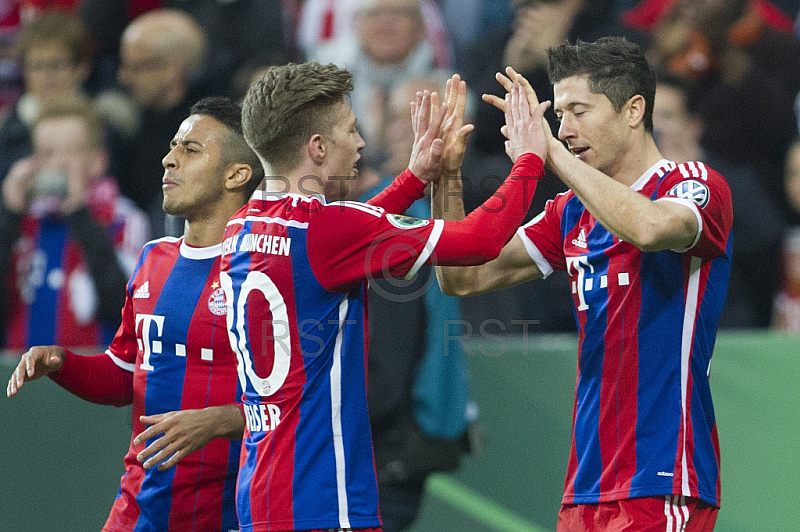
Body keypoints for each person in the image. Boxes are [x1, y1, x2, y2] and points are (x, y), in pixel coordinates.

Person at [220, 61, 550, 531]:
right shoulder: (329, 230)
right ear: (317, 147)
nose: (360, 143)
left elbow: (352, 237)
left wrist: (414, 177)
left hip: (264, 485)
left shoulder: (248, 222)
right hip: (322, 496)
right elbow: (479, 242)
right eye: (351, 131)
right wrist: (529, 160)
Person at [434, 37, 732, 530]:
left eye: (579, 111)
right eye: (558, 117)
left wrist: (548, 153)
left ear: (634, 110)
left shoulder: (693, 184)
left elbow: (650, 228)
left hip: (661, 474)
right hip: (587, 483)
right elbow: (463, 276)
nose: (565, 130)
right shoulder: (572, 212)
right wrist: (447, 177)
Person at [7, 96, 265, 532]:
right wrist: (64, 362)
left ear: (236, 174)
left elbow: (299, 401)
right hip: (139, 508)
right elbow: (126, 372)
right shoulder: (153, 260)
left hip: (232, 514)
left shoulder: (267, 271)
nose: (169, 160)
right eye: (172, 146)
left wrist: (225, 419)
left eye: (190, 150)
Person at [359, 75, 474, 532]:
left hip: (387, 446)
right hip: (396, 442)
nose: (416, 131)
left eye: (435, 120)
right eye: (405, 117)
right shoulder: (366, 215)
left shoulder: (409, 223)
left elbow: (388, 358)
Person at [0, 95, 148, 350]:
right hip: (18, 376)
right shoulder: (22, 220)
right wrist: (9, 214)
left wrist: (79, 213)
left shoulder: (123, 219)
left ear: (98, 161)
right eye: (46, 153)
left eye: (70, 152)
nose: (57, 163)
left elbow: (123, 306)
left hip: (92, 375)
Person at [113, 8, 211, 237]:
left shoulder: (209, 130)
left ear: (172, 70)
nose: (123, 77)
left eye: (136, 67)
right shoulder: (123, 127)